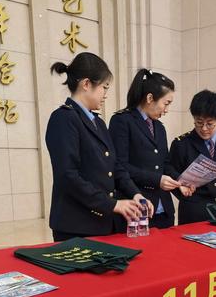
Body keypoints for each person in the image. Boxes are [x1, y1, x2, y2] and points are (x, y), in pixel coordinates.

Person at [46, 52, 153, 242]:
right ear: (86, 84)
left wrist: (135, 194)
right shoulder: (63, 118)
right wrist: (113, 204)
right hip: (76, 227)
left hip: (103, 223)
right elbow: (68, 176)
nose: (106, 94)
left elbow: (115, 167)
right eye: (104, 87)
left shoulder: (99, 123)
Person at [109, 69, 192, 229]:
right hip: (136, 210)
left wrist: (180, 181)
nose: (166, 110)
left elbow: (165, 164)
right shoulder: (122, 121)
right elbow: (120, 165)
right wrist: (157, 180)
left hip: (163, 210)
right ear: (149, 98)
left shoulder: (159, 127)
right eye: (166, 103)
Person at [169, 90, 216, 224]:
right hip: (196, 211)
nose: (204, 128)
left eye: (210, 124)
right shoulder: (181, 144)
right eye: (199, 122)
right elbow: (171, 173)